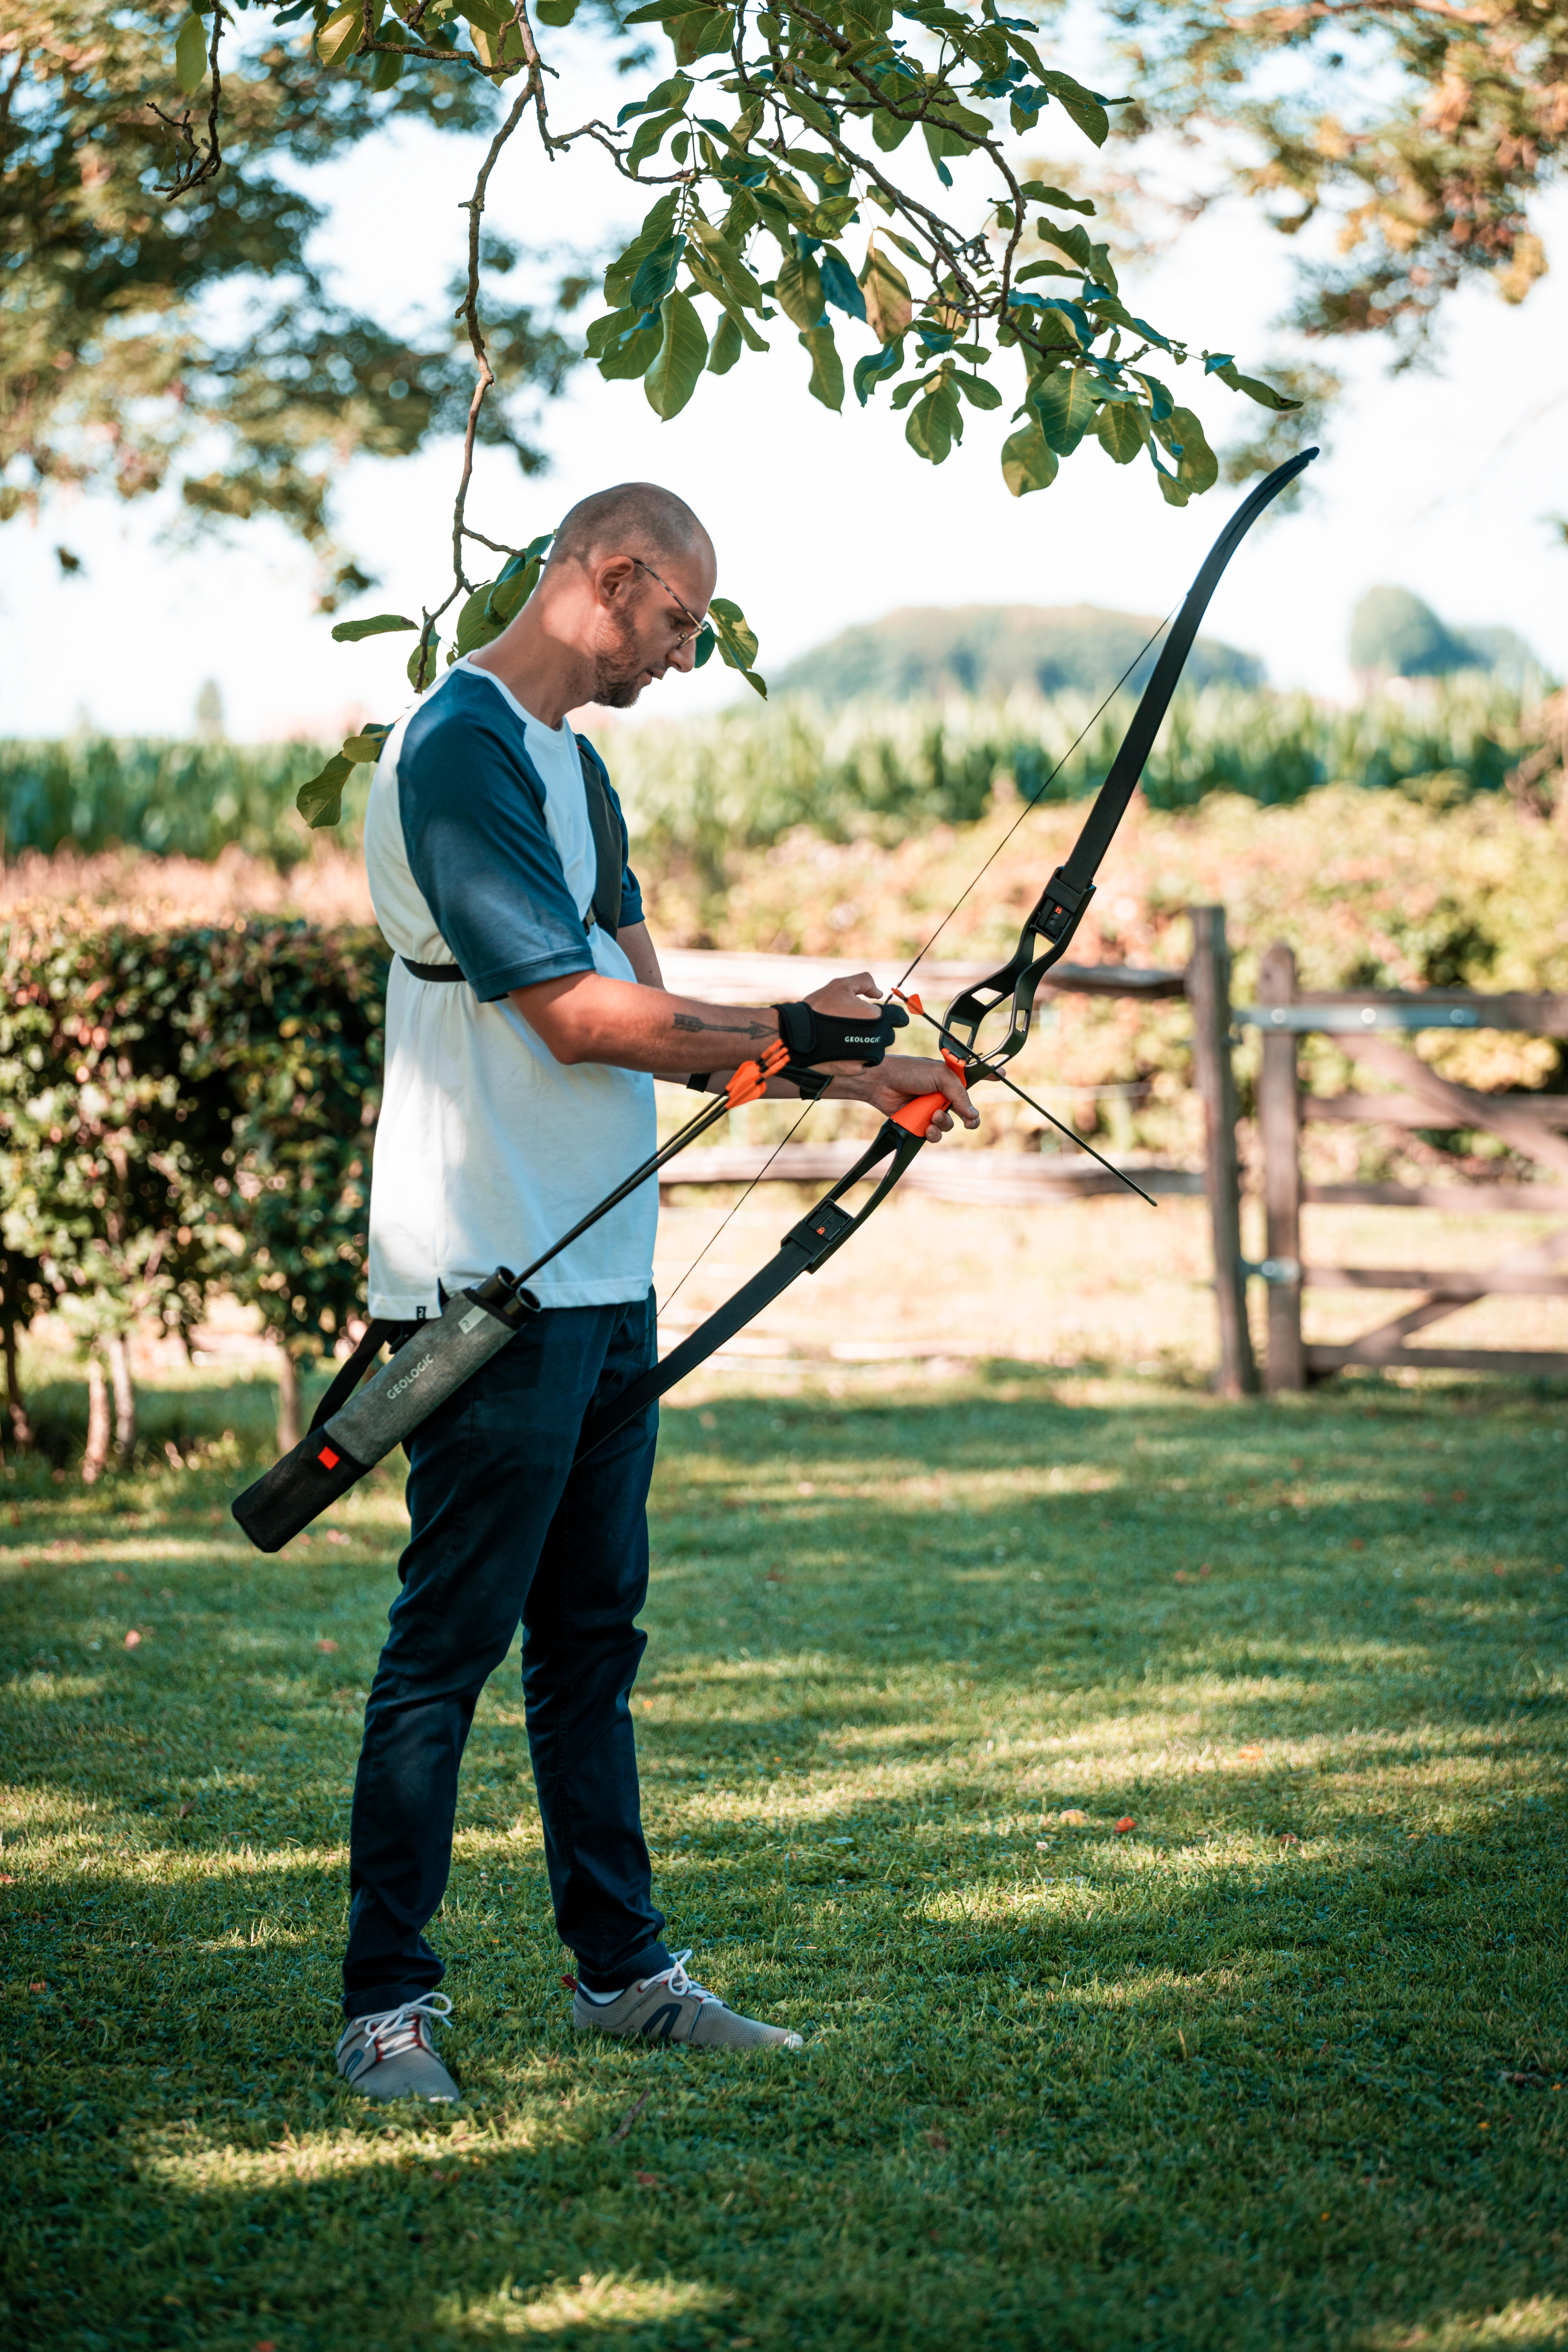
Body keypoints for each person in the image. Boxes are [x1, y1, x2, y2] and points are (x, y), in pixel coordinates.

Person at [334, 482, 977, 2103]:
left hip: (603, 1271)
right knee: (445, 1651)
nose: (685, 655)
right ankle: (386, 2005)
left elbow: (655, 1002)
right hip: (492, 1268)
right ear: (609, 580)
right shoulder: (459, 750)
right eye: (678, 621)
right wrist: (812, 1035)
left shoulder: (576, 766)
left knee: (591, 1642)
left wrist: (861, 1075)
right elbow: (571, 1018)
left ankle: (624, 1976)